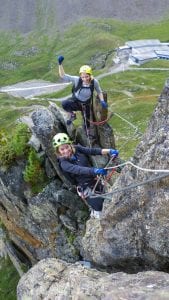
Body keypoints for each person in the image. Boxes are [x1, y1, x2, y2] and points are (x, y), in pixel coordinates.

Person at [52, 132, 119, 219]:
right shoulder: (64, 164)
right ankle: (97, 214)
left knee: (106, 198)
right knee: (98, 206)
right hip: (85, 187)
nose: (66, 150)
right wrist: (94, 170)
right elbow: (79, 170)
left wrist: (109, 151)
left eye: (67, 147)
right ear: (58, 151)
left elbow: (92, 151)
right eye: (62, 149)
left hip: (94, 180)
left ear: (70, 145)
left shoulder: (77, 149)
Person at [57, 55, 107, 132]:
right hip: (76, 101)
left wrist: (102, 101)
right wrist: (60, 64)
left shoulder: (94, 82)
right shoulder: (77, 80)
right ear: (80, 76)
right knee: (64, 103)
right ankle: (72, 115)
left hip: (86, 104)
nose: (85, 79)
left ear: (90, 75)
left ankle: (87, 131)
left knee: (86, 120)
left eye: (87, 76)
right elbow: (63, 75)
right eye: (83, 77)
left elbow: (99, 91)